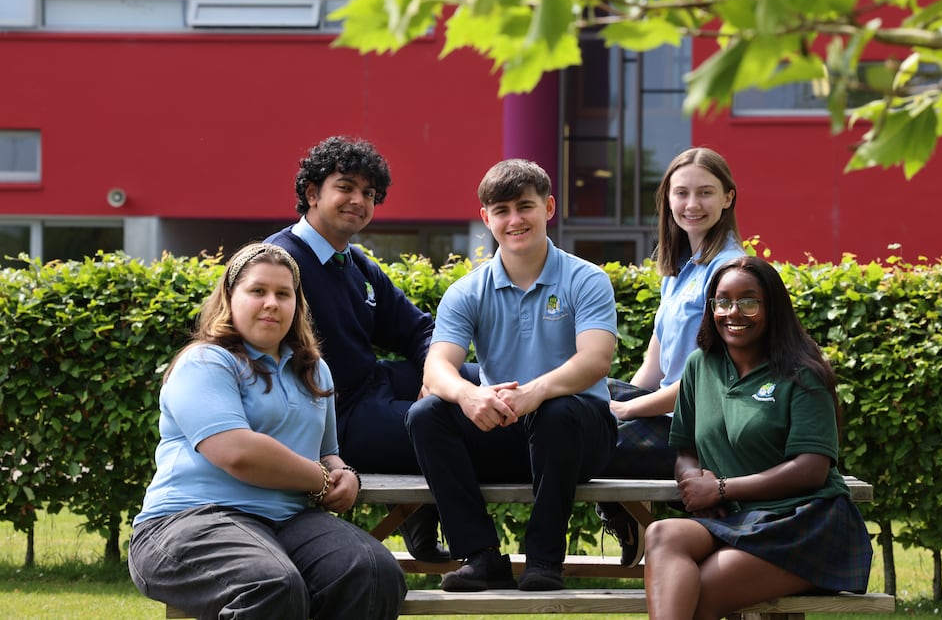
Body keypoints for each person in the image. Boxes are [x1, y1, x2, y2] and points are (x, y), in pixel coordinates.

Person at [128, 243, 406, 620]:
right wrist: (321, 480)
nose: (271, 303)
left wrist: (344, 476)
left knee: (372, 572)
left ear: (297, 303)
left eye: (283, 293)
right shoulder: (205, 362)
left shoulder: (314, 371)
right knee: (270, 583)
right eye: (257, 291)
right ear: (230, 297)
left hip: (287, 521)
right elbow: (238, 453)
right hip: (189, 520)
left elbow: (327, 453)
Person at [406, 158, 619, 592]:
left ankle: (544, 561)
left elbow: (596, 361)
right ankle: (481, 557)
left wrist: (536, 393)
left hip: (581, 437)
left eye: (525, 206)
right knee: (426, 414)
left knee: (557, 410)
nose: (514, 219)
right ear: (486, 218)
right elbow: (437, 365)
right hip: (506, 429)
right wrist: (470, 397)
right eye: (501, 210)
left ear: (549, 207)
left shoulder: (587, 279)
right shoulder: (467, 291)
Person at [643, 255, 873, 620]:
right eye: (722, 301)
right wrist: (692, 481)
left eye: (749, 301)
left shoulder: (803, 372)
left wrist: (720, 488)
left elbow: (811, 469)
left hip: (804, 521)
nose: (733, 312)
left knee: (697, 592)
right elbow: (686, 449)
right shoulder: (699, 366)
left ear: (772, 309)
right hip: (736, 520)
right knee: (661, 535)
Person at [266, 135, 460, 562]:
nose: (359, 200)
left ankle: (592, 415)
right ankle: (447, 531)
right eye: (346, 187)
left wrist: (436, 375)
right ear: (312, 193)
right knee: (455, 424)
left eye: (369, 193)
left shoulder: (358, 264)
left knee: (480, 381)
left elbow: (419, 330)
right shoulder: (277, 264)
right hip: (338, 419)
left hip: (376, 387)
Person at [598, 147, 747, 567]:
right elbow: (655, 367)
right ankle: (623, 512)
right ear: (667, 199)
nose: (692, 204)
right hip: (667, 417)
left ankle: (619, 514)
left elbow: (706, 380)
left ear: (728, 198)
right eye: (681, 193)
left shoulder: (732, 273)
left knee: (574, 436)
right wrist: (610, 399)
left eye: (705, 193)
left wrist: (625, 410)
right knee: (576, 397)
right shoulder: (681, 269)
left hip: (700, 432)